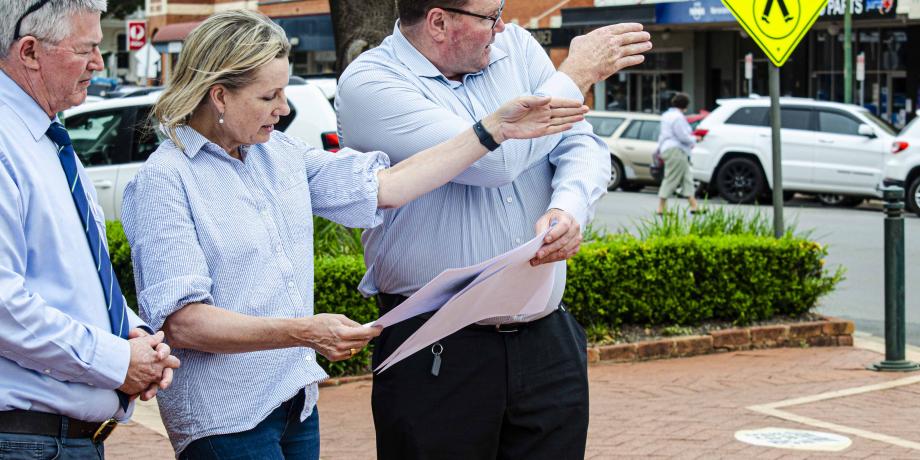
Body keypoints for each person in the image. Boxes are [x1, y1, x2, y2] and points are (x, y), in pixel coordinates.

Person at [120, 9, 587, 459]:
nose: (283, 109)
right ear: (219, 96)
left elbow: (386, 187)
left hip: (293, 402)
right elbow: (182, 323)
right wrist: (304, 331)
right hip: (225, 415)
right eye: (269, 97)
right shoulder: (165, 180)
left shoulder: (278, 153)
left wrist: (492, 130)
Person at [335, 1, 653, 458]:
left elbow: (579, 138)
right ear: (439, 21)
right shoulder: (371, 83)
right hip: (437, 344)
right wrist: (576, 73)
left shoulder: (515, 46)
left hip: (546, 338)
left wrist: (569, 206)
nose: (502, 25)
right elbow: (491, 160)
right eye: (489, 15)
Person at [0, 0, 180, 458]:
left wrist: (131, 335)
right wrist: (117, 361)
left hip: (54, 440)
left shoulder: (47, 139)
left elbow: (76, 278)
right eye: (88, 49)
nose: (99, 64)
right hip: (27, 441)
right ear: (30, 52)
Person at [656, 92, 702, 215]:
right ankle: (661, 208)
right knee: (671, 178)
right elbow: (682, 136)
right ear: (686, 105)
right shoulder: (678, 117)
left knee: (687, 178)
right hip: (676, 149)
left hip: (668, 148)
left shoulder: (666, 115)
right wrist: (695, 139)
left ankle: (694, 206)